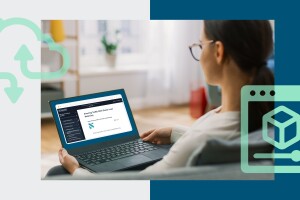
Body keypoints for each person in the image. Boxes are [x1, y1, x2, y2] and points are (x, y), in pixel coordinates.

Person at [50, 20, 274, 176]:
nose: (198, 51)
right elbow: (215, 140)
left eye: (199, 44)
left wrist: (75, 170)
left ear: (218, 52)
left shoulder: (201, 140)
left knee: (56, 173)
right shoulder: (265, 116)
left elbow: (134, 186)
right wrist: (175, 133)